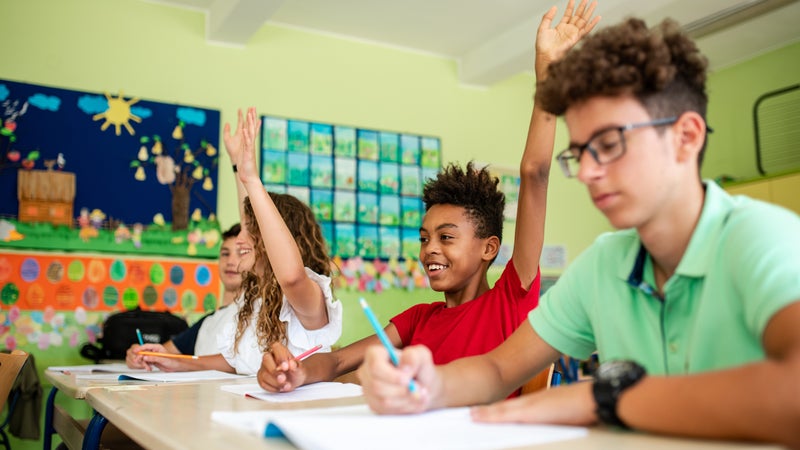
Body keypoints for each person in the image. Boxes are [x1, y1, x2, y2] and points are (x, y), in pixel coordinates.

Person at [356, 13, 800, 450]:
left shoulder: (762, 239)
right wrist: (429, 384)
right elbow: (496, 370)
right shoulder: (605, 265)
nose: (587, 172)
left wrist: (603, 399)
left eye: (608, 144)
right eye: (580, 153)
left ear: (686, 137)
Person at [255, 0, 600, 394]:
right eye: (424, 238)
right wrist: (296, 371)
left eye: (446, 236)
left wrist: (548, 73)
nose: (430, 248)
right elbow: (336, 361)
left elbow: (534, 173)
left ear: (489, 248)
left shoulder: (510, 298)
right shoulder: (419, 319)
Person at [129, 107, 343, 375]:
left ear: (273, 239)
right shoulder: (257, 304)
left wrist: (251, 178)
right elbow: (234, 363)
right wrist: (172, 360)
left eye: (249, 231)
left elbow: (290, 276)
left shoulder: (309, 299)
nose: (240, 239)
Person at [125, 223, 243, 367]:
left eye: (242, 254)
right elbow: (161, 353)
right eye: (225, 254)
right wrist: (139, 355)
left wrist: (178, 363)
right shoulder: (208, 322)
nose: (230, 262)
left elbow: (236, 363)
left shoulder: (254, 316)